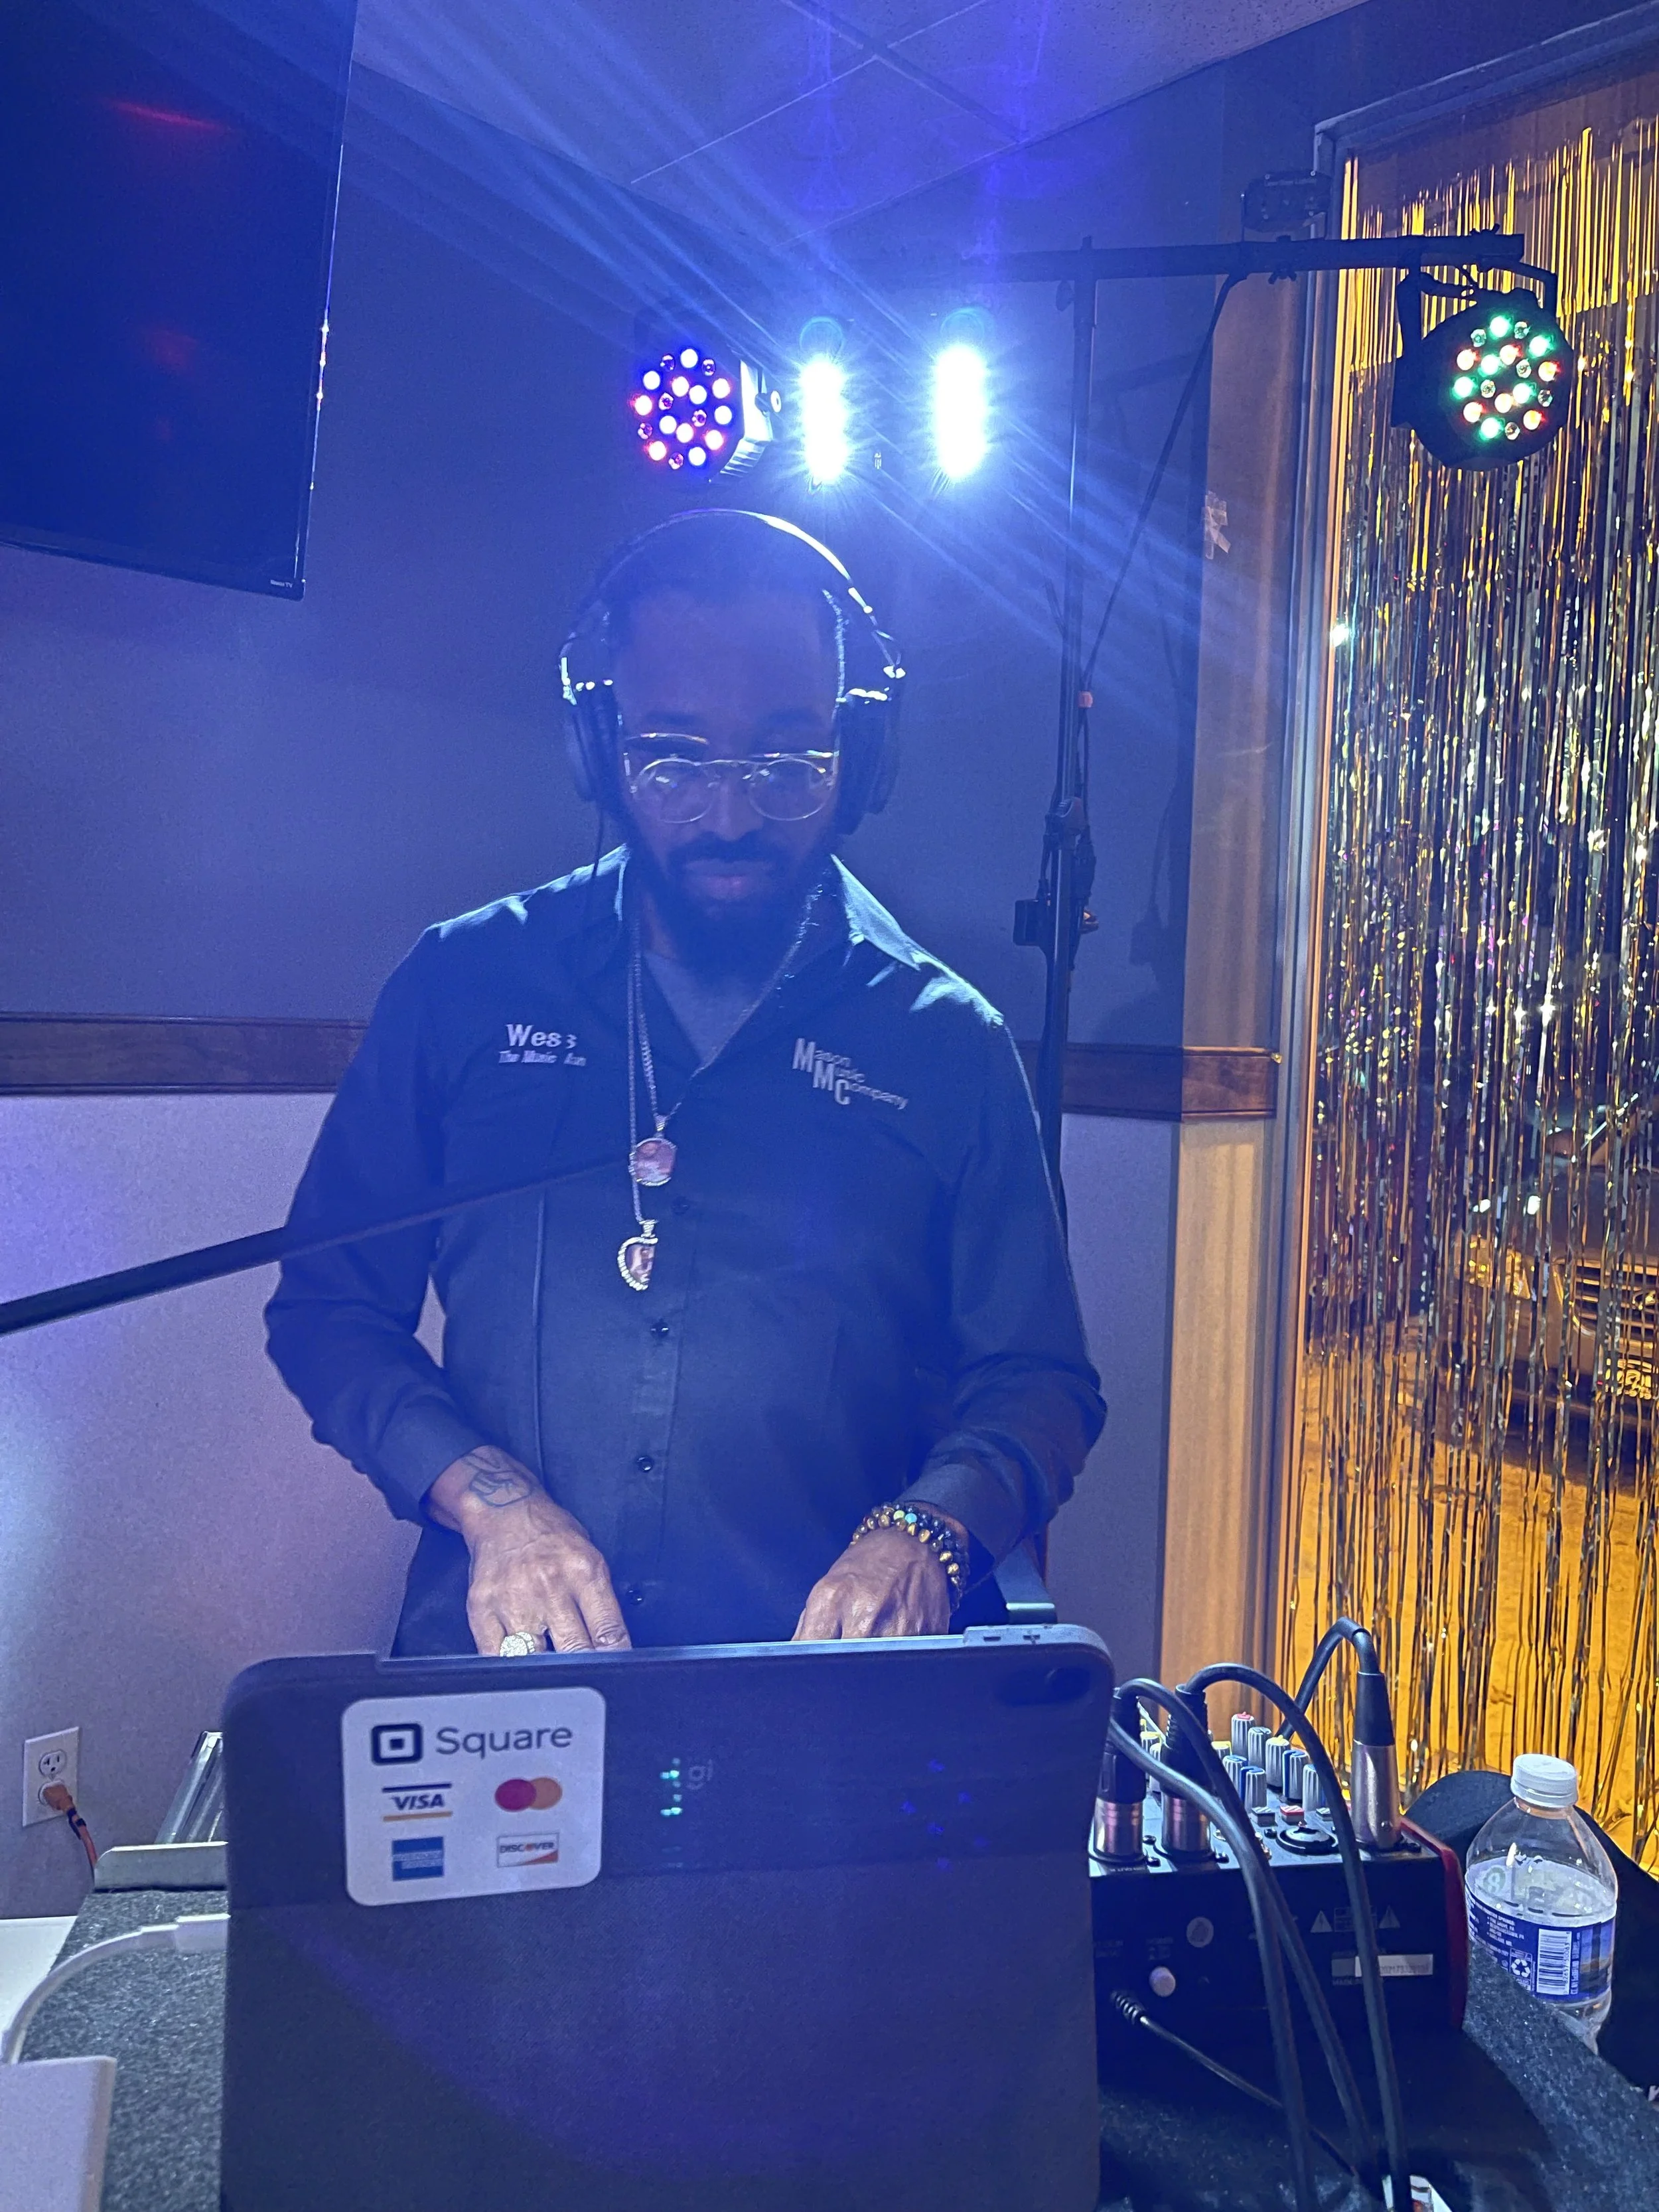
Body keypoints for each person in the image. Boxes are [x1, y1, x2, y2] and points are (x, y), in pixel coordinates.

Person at [265, 510, 1104, 1657]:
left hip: (816, 1692)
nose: (730, 816)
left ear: (858, 757)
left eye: (787, 762)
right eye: (673, 760)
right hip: (509, 1683)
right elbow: (330, 1309)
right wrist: (488, 1502)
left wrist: (926, 1533)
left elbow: (1039, 1383)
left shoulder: (948, 1044)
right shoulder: (461, 985)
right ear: (599, 749)